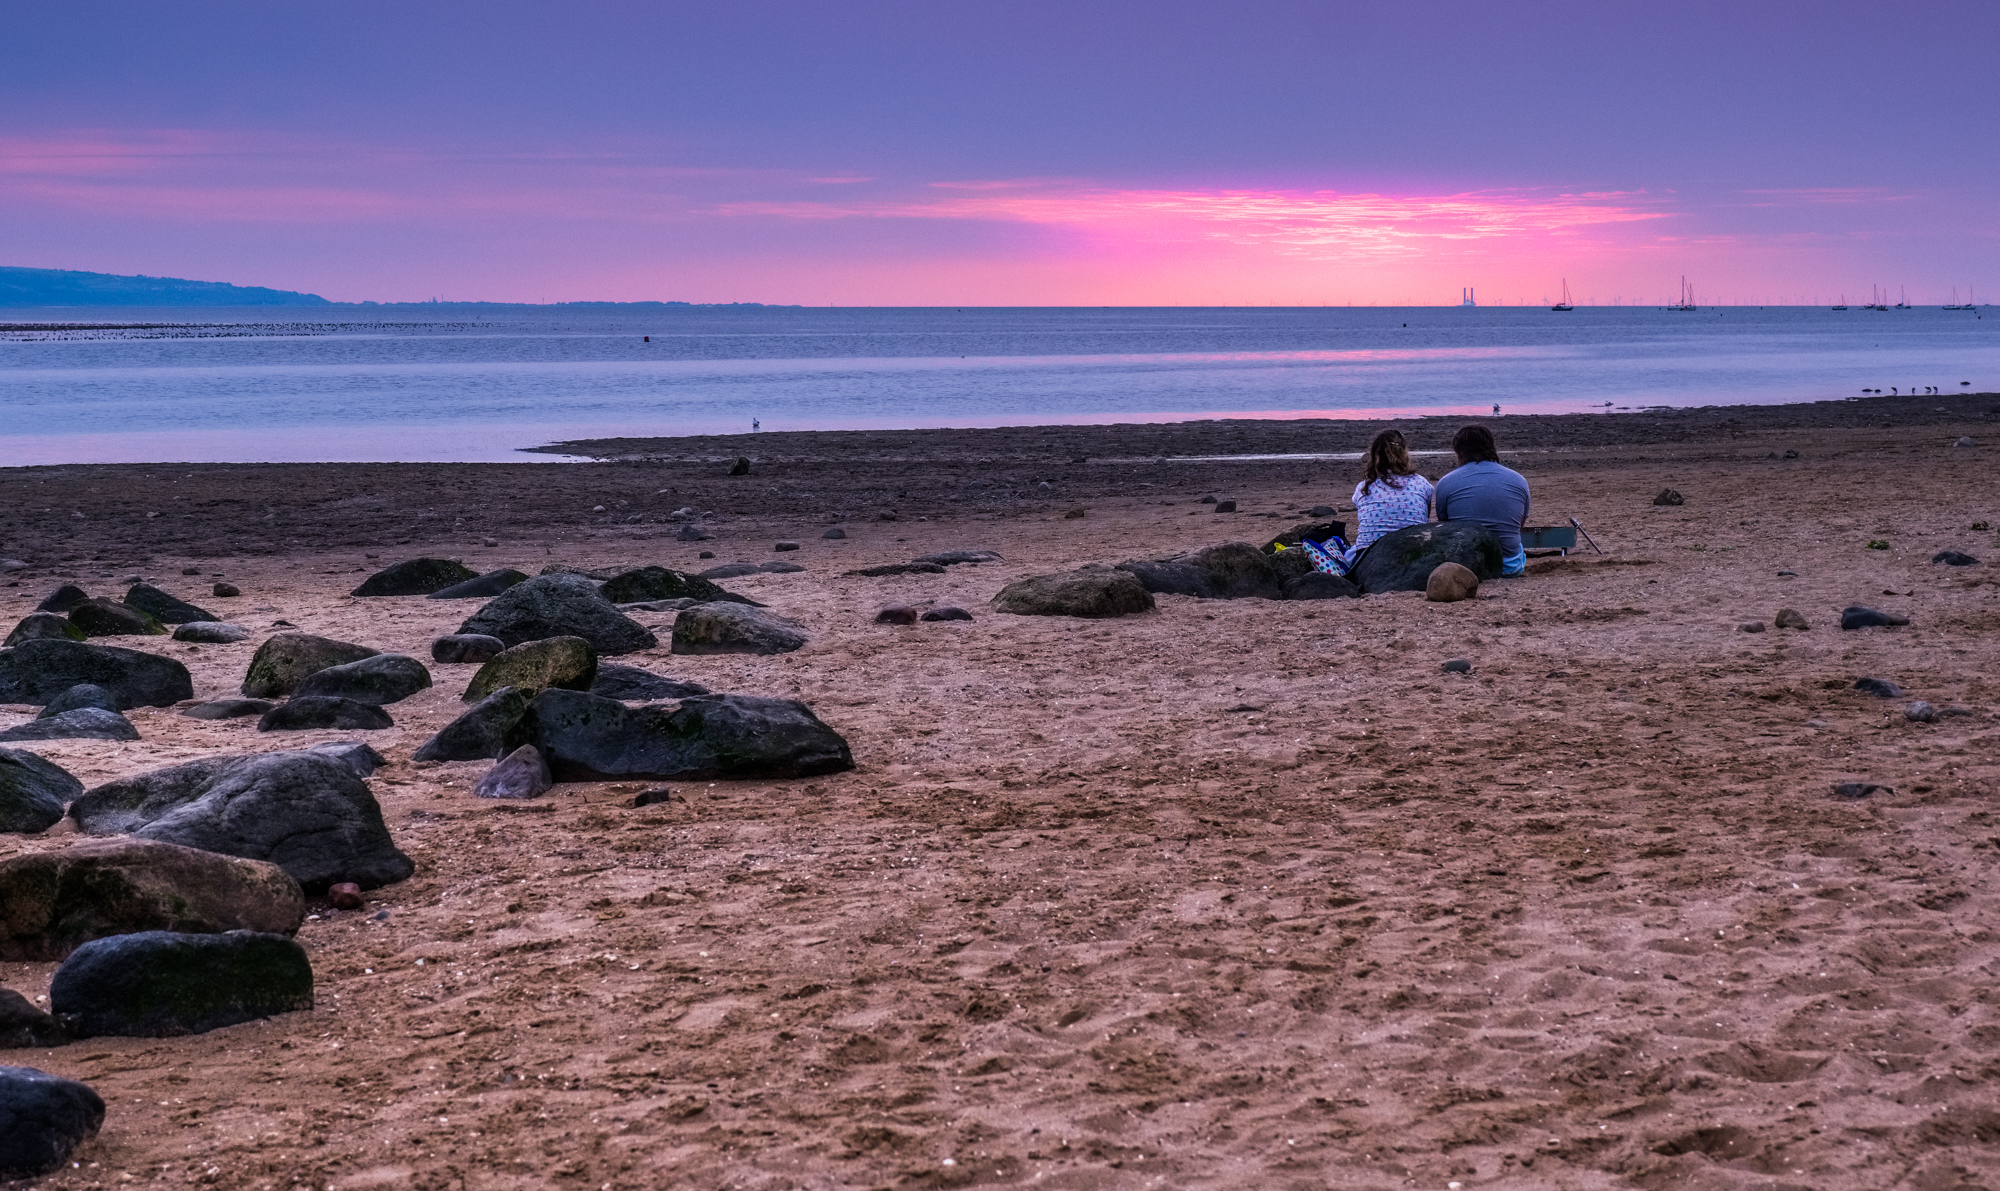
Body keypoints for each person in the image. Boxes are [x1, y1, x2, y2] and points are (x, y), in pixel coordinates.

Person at [1435, 424, 1531, 575]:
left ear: (1459, 452)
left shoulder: (1446, 482)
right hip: (1509, 566)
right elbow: (1519, 525)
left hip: (1465, 566)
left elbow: (1446, 527)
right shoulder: (1519, 480)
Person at [1341, 429, 1434, 567]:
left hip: (1367, 556)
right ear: (1404, 453)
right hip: (1413, 552)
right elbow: (1425, 518)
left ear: (1374, 456)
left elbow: (1365, 518)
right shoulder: (1421, 483)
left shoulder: (1364, 487)